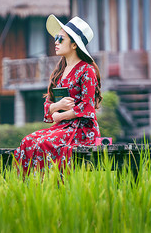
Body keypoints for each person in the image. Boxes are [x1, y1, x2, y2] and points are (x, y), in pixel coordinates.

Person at [14, 14, 103, 174]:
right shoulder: (59, 71)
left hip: (82, 130)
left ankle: (49, 186)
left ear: (74, 45)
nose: (56, 42)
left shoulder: (87, 70)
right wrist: (57, 106)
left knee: (43, 143)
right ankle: (25, 187)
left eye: (61, 39)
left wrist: (61, 115)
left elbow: (87, 107)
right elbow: (49, 103)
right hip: (62, 127)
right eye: (56, 38)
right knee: (27, 141)